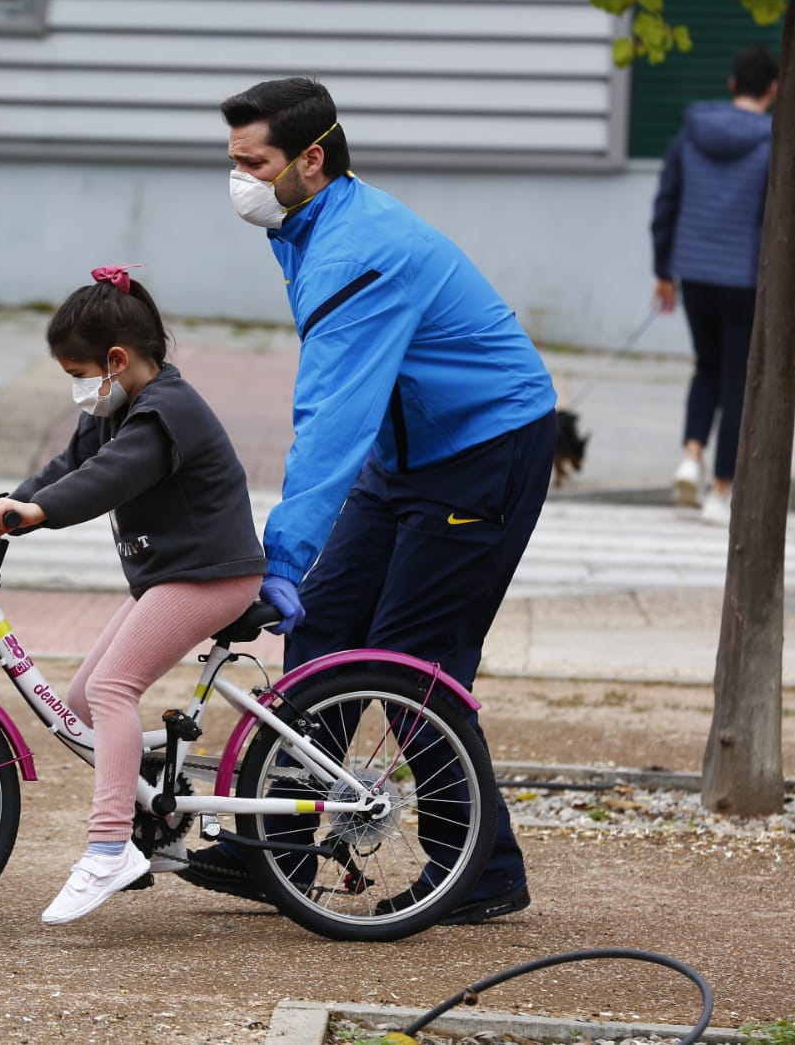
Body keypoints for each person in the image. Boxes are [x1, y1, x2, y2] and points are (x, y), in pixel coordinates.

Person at [178, 76, 558, 926]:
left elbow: (329, 417)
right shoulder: (305, 220)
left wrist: (280, 554)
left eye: (253, 162)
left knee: (408, 661)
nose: (237, 180)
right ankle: (277, 846)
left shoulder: (360, 251)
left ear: (311, 160)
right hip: (409, 453)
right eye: (232, 161)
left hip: (483, 450)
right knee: (322, 627)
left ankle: (483, 870)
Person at [0, 265, 266, 926]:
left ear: (116, 359)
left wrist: (38, 514)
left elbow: (105, 479)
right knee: (82, 700)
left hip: (212, 575)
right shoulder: (118, 405)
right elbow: (66, 467)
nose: (78, 389)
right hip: (175, 574)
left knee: (110, 693)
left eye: (78, 372)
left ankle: (108, 848)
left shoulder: (168, 412)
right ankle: (152, 827)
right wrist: (5, 503)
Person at [651, 45, 795, 528]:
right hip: (745, 279)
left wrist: (664, 272)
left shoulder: (690, 136)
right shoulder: (775, 142)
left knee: (705, 366)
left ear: (731, 84)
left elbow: (666, 205)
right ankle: (720, 492)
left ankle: (690, 456)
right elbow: (787, 217)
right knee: (737, 380)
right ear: (774, 89)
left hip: (694, 273)